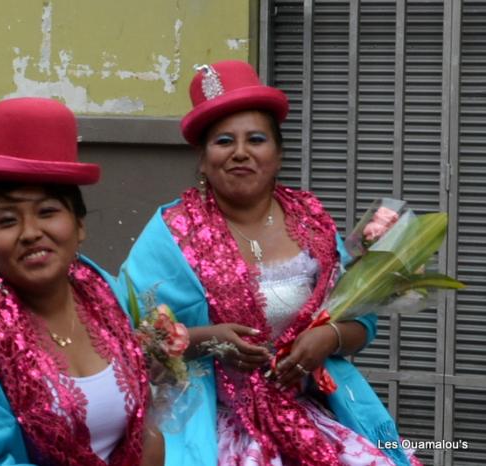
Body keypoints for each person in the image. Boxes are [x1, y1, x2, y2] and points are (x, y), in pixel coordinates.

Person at [120, 60, 422, 466]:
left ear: (278, 154)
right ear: (204, 159)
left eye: (256, 139)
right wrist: (209, 340)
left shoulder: (311, 222)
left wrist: (327, 339)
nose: (240, 153)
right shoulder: (172, 231)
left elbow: (362, 319)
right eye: (224, 141)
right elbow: (128, 336)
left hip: (313, 413)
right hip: (209, 425)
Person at [0, 98, 165, 466]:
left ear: (79, 226)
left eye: (48, 212)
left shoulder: (107, 297)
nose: (31, 233)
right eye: (7, 220)